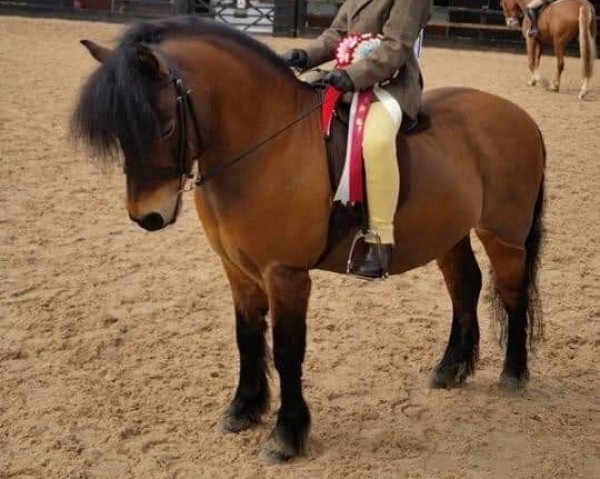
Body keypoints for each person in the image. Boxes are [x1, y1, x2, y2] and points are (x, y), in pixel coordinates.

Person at [282, 0, 432, 279]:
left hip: (390, 84)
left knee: (375, 142)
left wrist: (352, 76)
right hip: (347, 78)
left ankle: (380, 240)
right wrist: (305, 55)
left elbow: (396, 46)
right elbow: (337, 35)